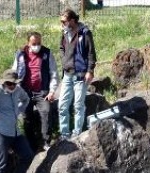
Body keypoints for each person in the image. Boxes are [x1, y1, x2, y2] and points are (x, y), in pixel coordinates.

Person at [12, 31, 59, 151]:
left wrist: (52, 91)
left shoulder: (47, 53)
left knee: (46, 113)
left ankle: (46, 142)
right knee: (27, 118)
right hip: (25, 92)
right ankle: (31, 145)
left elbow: (54, 73)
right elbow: (14, 72)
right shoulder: (20, 54)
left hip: (42, 91)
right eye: (34, 43)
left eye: (39, 43)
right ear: (28, 43)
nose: (37, 45)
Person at [57, 8, 97, 139]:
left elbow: (91, 53)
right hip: (67, 75)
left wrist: (90, 71)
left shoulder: (85, 33)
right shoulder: (64, 33)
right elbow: (61, 48)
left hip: (81, 75)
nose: (62, 24)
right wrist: (64, 60)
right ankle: (64, 133)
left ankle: (77, 133)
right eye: (61, 21)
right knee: (62, 105)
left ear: (72, 20)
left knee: (78, 105)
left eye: (64, 21)